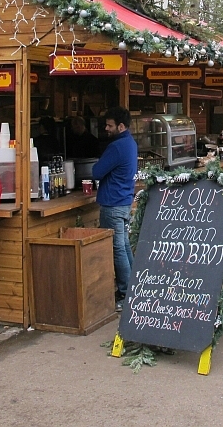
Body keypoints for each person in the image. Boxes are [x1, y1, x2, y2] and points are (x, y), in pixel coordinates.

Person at [92, 106, 138, 312]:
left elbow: (96, 171)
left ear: (120, 126)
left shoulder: (116, 147)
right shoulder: (130, 143)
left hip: (113, 203)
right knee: (124, 245)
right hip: (124, 201)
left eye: (109, 125)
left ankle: (126, 292)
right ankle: (133, 287)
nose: (106, 129)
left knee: (117, 248)